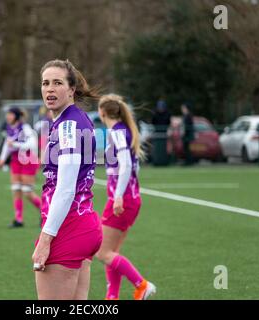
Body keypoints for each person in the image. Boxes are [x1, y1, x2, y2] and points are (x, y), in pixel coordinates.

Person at [32, 59, 102, 300]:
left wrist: (45, 238)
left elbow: (65, 189)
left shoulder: (69, 125)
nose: (49, 89)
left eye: (57, 83)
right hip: (82, 225)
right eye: (45, 83)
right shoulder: (71, 120)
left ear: (71, 89)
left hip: (68, 227)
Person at [96, 94, 156, 300]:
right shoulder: (122, 131)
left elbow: (127, 165)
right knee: (111, 252)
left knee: (102, 252)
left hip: (123, 199)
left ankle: (142, 285)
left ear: (102, 112)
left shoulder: (117, 132)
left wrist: (119, 196)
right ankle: (112, 297)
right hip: (130, 199)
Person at [0, 107, 42, 228]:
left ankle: (45, 213)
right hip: (15, 160)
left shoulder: (25, 128)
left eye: (10, 114)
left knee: (27, 192)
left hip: (27, 159)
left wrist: (16, 144)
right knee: (16, 189)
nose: (8, 117)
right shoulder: (8, 128)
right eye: (7, 114)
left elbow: (32, 144)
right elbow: (8, 145)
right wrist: (2, 158)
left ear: (16, 116)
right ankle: (18, 219)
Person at [151, 100, 171, 166]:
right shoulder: (155, 113)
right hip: (157, 134)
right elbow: (153, 122)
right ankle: (156, 161)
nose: (161, 109)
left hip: (164, 134)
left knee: (164, 150)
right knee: (156, 150)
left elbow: (168, 122)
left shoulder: (167, 113)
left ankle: (164, 162)